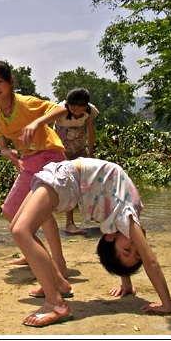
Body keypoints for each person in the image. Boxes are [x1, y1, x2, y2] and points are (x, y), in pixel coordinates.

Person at [10, 157, 171, 327]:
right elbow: (151, 261)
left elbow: (127, 253)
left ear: (109, 237)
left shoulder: (123, 221)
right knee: (17, 227)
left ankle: (55, 304)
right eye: (136, 252)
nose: (135, 246)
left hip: (67, 179)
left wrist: (129, 282)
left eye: (128, 250)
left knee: (21, 231)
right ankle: (59, 282)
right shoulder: (128, 220)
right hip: (65, 175)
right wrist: (166, 303)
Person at [0, 60, 67, 272]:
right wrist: (8, 154)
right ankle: (37, 255)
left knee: (43, 213)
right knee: (10, 210)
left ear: (10, 82)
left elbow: (62, 109)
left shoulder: (27, 104)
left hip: (50, 157)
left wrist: (38, 122)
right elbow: (2, 146)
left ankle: (58, 265)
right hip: (29, 163)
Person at [53, 87, 99, 235]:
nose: (77, 113)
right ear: (67, 104)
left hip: (79, 149)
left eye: (80, 110)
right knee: (69, 186)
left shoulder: (90, 111)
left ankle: (94, 214)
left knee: (89, 181)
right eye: (73, 109)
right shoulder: (59, 110)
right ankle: (69, 224)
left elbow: (90, 131)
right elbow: (48, 131)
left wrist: (91, 153)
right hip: (62, 151)